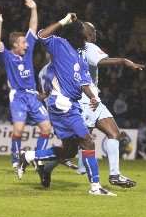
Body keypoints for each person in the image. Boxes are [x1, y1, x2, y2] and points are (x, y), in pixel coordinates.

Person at [18, 13, 115, 196]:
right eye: (84, 37)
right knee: (87, 141)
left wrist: (93, 97)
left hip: (72, 104)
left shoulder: (81, 58)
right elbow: (42, 35)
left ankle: (29, 156)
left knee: (69, 151)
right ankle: (95, 187)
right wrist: (63, 21)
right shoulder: (60, 45)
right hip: (62, 104)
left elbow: (84, 83)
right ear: (76, 36)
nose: (87, 40)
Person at [75, 22, 144, 188]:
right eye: (94, 30)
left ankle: (114, 175)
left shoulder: (74, 48)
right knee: (78, 144)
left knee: (114, 133)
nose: (96, 32)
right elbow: (101, 61)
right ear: (88, 34)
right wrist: (123, 61)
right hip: (86, 100)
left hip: (93, 99)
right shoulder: (89, 46)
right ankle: (38, 158)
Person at [0, 0, 52, 172]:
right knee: (18, 131)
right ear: (15, 45)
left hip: (32, 95)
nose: (26, 44)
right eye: (23, 42)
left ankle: (38, 159)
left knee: (46, 128)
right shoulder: (7, 57)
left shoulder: (28, 51)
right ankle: (16, 160)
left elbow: (32, 28)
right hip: (18, 96)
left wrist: (33, 8)